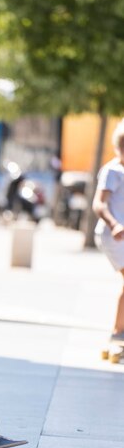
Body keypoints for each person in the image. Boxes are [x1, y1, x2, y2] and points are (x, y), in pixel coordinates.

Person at [93, 119, 124, 346]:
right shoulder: (112, 171)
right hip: (112, 234)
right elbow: (99, 204)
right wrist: (114, 223)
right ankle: (117, 331)